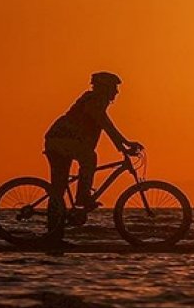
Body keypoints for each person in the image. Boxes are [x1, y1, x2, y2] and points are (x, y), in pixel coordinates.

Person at [43, 71, 142, 242]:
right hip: (60, 141)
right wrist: (124, 144)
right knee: (89, 158)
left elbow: (106, 125)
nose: (116, 92)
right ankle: (82, 197)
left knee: (58, 190)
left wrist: (123, 144)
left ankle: (53, 238)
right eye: (114, 88)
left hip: (57, 141)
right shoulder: (94, 101)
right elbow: (105, 125)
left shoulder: (95, 101)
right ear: (105, 88)